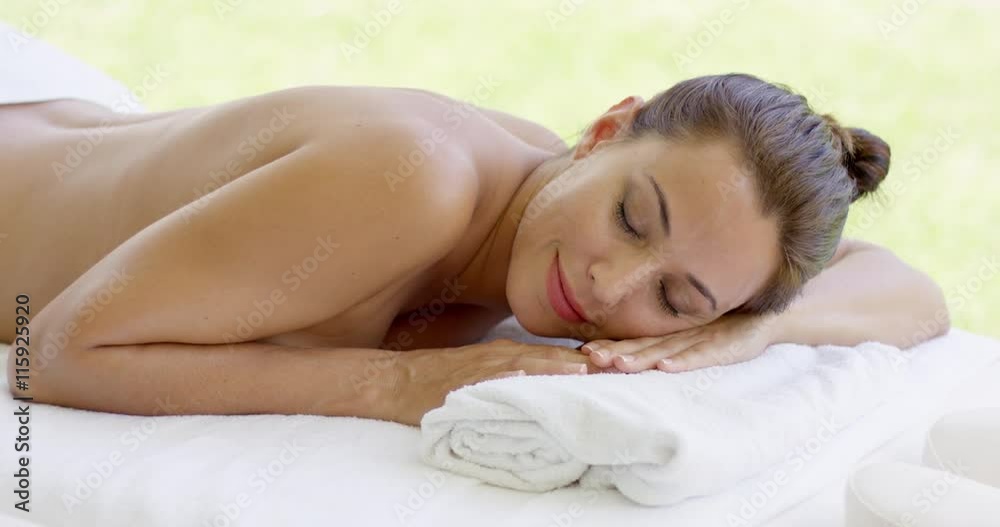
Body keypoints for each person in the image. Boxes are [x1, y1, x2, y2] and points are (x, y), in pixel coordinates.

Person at [2, 73, 947, 426]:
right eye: (631, 217)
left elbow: (914, 293)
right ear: (605, 130)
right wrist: (395, 384)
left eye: (675, 298)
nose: (610, 284)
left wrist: (745, 332)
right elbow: (54, 352)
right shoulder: (413, 179)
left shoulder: (703, 238)